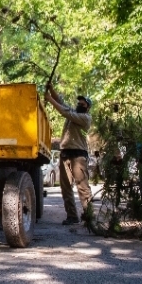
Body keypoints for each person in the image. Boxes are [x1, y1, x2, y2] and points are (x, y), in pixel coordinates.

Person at [45, 84, 93, 225]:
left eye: (82, 104)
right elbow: (61, 103)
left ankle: (89, 216)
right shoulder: (74, 113)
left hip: (78, 155)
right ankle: (72, 216)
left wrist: (49, 99)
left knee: (82, 186)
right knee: (65, 187)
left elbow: (63, 111)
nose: (79, 105)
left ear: (87, 107)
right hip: (65, 153)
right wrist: (52, 90)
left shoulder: (85, 118)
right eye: (78, 103)